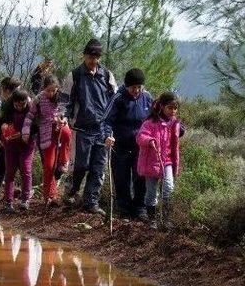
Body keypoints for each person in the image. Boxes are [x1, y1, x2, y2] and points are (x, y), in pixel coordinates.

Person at [62, 38, 117, 216]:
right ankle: (71, 191)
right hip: (81, 128)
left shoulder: (107, 75)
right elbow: (64, 101)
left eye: (96, 57)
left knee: (98, 167)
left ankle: (90, 202)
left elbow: (114, 99)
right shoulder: (75, 75)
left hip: (102, 129)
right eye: (90, 56)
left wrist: (111, 122)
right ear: (84, 56)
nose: (93, 60)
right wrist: (63, 117)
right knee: (81, 165)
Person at [103, 68, 153, 221]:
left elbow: (154, 119)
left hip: (140, 147)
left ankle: (139, 208)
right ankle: (124, 209)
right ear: (126, 85)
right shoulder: (118, 98)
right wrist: (107, 136)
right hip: (121, 146)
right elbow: (106, 120)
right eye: (133, 87)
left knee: (140, 178)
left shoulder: (147, 97)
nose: (136, 90)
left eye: (139, 87)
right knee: (122, 177)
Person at [137, 92, 182, 230]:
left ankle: (166, 219)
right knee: (152, 192)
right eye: (170, 108)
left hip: (168, 161)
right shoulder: (150, 123)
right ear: (162, 106)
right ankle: (152, 220)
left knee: (168, 188)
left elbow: (177, 135)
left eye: (175, 108)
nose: (173, 111)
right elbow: (140, 137)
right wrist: (149, 141)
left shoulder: (174, 123)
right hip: (152, 162)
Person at [34, 75, 72, 207]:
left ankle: (63, 161)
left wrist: (62, 120)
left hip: (59, 127)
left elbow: (64, 112)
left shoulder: (62, 97)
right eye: (48, 90)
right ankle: (49, 196)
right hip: (46, 132)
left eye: (53, 90)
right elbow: (32, 114)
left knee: (67, 132)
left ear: (57, 88)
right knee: (49, 166)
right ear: (44, 88)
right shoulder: (39, 99)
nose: (50, 93)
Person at [0, 77, 22, 204]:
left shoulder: (24, 100)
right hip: (8, 139)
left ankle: (21, 193)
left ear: (7, 91)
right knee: (1, 163)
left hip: (22, 140)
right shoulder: (5, 104)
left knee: (22, 166)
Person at [0, 88, 35, 211]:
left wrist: (24, 134)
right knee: (10, 172)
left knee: (26, 169)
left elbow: (36, 127)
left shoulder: (32, 108)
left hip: (27, 144)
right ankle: (8, 202)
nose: (19, 107)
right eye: (16, 105)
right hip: (10, 144)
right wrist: (4, 125)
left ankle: (25, 199)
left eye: (22, 105)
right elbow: (0, 119)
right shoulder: (7, 107)